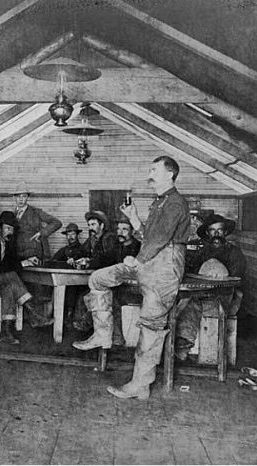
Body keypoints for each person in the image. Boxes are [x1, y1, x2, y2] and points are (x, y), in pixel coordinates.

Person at [73, 156, 190, 400]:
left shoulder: (176, 203)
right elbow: (150, 236)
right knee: (98, 279)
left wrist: (137, 260)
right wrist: (134, 217)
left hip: (165, 267)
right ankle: (103, 333)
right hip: (149, 261)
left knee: (151, 327)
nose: (150, 173)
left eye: (154, 169)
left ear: (170, 174)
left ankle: (140, 385)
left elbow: (159, 241)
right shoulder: (160, 202)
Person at [175, 213, 246, 360]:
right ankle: (182, 348)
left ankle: (213, 357)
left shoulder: (234, 252)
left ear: (225, 232)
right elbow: (191, 272)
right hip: (202, 294)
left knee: (211, 309)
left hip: (227, 295)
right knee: (186, 306)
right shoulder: (202, 252)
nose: (216, 234)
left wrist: (219, 276)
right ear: (207, 233)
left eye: (220, 230)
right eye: (213, 230)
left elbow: (237, 277)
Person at [0, 211, 54, 344]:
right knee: (11, 275)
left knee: (10, 288)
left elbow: (11, 261)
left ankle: (6, 332)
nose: (10, 232)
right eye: (8, 228)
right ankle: (34, 313)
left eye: (12, 229)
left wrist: (27, 259)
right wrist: (21, 264)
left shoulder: (8, 243)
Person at [70, 211, 119, 331]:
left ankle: (85, 324)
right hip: (95, 277)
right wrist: (73, 257)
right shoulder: (92, 239)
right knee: (75, 291)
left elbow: (108, 258)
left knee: (85, 295)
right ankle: (79, 324)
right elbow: (81, 251)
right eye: (89, 225)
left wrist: (89, 261)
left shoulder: (109, 238)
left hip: (110, 278)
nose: (90, 228)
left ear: (101, 225)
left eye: (93, 225)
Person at [12, 181, 62, 262]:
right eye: (18, 196)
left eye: (24, 196)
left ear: (27, 197)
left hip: (34, 254)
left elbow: (57, 222)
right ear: (14, 198)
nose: (21, 199)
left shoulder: (36, 212)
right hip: (18, 254)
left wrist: (41, 233)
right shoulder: (12, 215)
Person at [111, 217, 142, 346]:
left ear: (132, 231)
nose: (120, 232)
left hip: (136, 290)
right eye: (118, 229)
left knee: (111, 299)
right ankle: (115, 338)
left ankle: (117, 338)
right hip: (121, 287)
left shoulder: (139, 247)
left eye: (124, 229)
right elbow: (104, 259)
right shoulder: (116, 247)